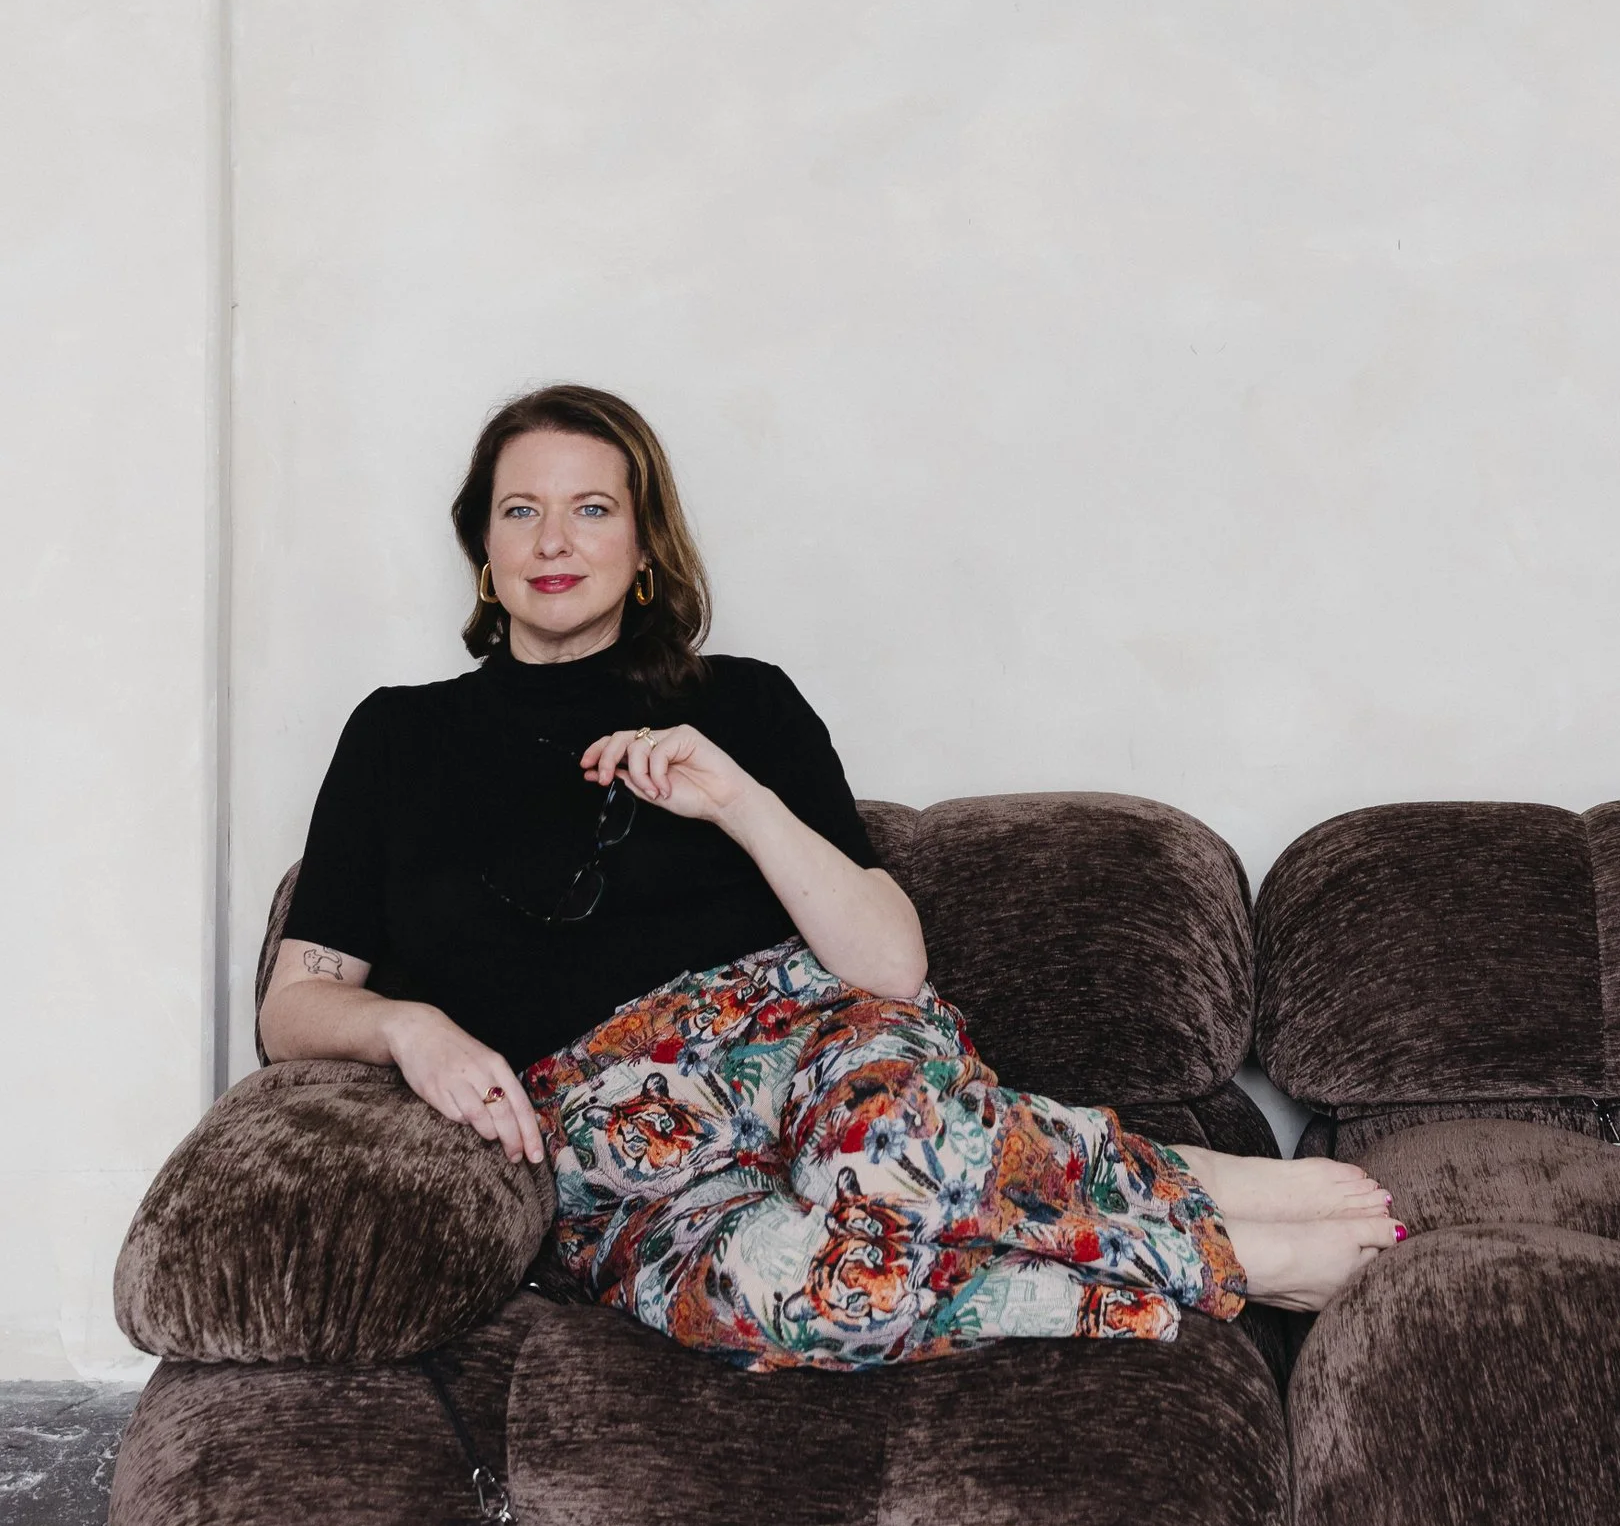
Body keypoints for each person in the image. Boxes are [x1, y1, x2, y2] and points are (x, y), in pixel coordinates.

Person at [259, 382, 1402, 1363]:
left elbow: (891, 965)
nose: (554, 540)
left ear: (645, 542)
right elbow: (294, 1004)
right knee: (812, 1297)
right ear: (484, 547)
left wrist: (738, 800)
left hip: (799, 1043)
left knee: (890, 1146)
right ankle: (1191, 1222)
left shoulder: (743, 702)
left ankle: (1092, 1184)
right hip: (601, 1137)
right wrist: (410, 1029)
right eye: (523, 509)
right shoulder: (395, 737)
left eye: (592, 507)